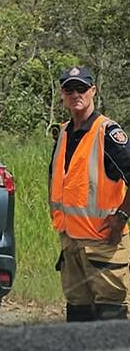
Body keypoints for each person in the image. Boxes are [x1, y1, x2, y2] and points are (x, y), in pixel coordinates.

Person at [49, 66, 130, 321]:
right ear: (62, 94)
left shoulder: (108, 132)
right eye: (69, 89)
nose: (76, 95)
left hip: (104, 243)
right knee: (78, 317)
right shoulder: (63, 133)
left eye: (81, 88)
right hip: (71, 244)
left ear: (93, 91)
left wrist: (122, 216)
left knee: (110, 317)